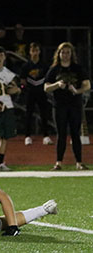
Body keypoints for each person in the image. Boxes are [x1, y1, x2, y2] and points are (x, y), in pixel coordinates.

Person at [44, 42, 91, 171]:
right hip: (59, 105)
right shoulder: (54, 69)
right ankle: (58, 162)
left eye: (68, 52)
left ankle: (79, 162)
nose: (65, 55)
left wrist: (77, 91)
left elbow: (87, 84)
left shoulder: (77, 68)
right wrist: (57, 84)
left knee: (75, 134)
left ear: (71, 54)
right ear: (58, 54)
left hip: (75, 105)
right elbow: (46, 87)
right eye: (63, 52)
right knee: (61, 134)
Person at [20, 43, 52, 146]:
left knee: (44, 114)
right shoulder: (26, 66)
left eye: (36, 50)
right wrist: (25, 88)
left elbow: (48, 79)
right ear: (30, 52)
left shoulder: (44, 65)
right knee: (28, 114)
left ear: (39, 51)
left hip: (42, 92)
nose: (35, 53)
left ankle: (46, 136)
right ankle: (27, 136)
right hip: (30, 92)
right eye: (33, 51)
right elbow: (22, 80)